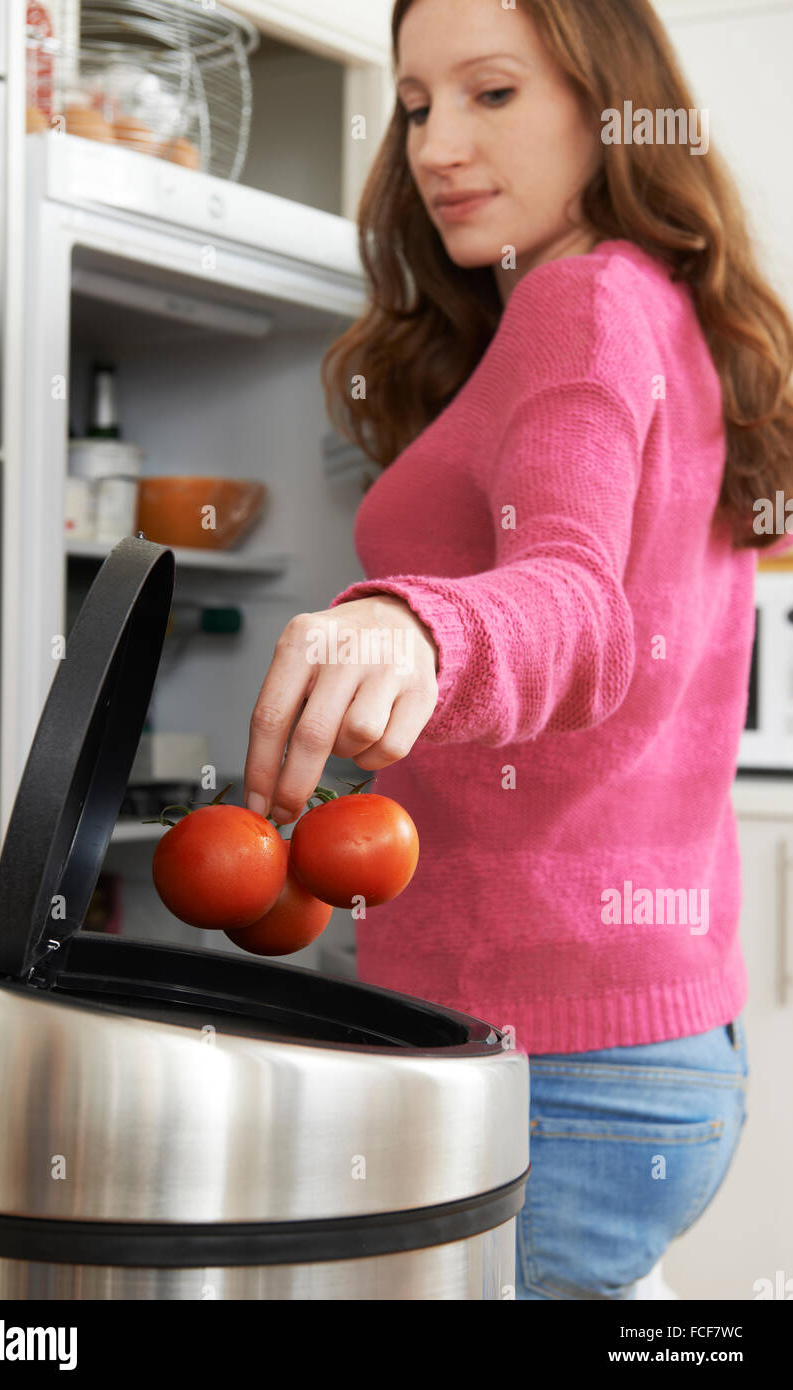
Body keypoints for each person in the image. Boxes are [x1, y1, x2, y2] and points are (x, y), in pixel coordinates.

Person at [242, 0, 793, 1299]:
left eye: (492, 93)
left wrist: (415, 620)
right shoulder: (669, 312)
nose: (437, 145)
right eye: (419, 103)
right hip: (649, 1044)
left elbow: (574, 600)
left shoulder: (582, 303)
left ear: (609, 103)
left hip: (552, 1063)